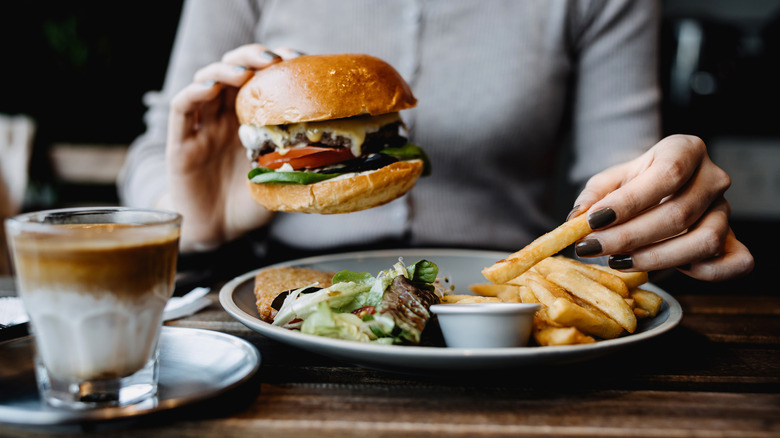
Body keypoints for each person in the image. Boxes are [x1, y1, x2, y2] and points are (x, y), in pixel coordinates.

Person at [118, 0, 753, 282]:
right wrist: (190, 214)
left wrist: (665, 203)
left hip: (504, 297)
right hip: (286, 297)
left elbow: (626, 178)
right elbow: (156, 150)